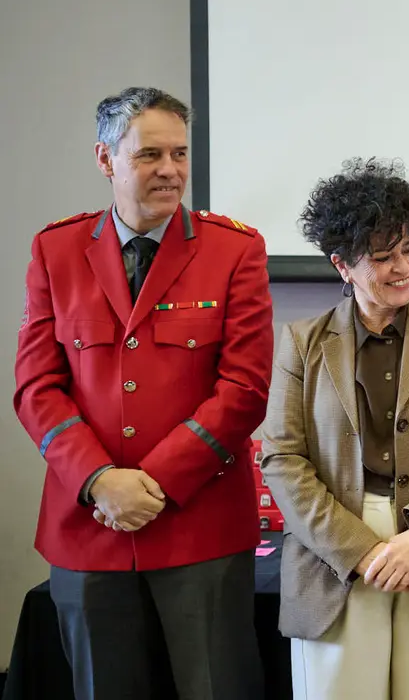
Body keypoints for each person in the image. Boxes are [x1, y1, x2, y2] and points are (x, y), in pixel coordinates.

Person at [12, 87, 272, 699]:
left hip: (199, 525)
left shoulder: (235, 249)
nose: (170, 170)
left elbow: (245, 387)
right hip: (89, 523)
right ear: (105, 159)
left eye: (180, 153)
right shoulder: (56, 249)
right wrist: (102, 481)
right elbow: (35, 386)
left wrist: (152, 485)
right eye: (149, 154)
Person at [259, 157, 409, 699]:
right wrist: (363, 551)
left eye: (408, 250)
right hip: (335, 551)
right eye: (381, 258)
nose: (402, 268)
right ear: (342, 266)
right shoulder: (303, 341)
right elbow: (282, 459)